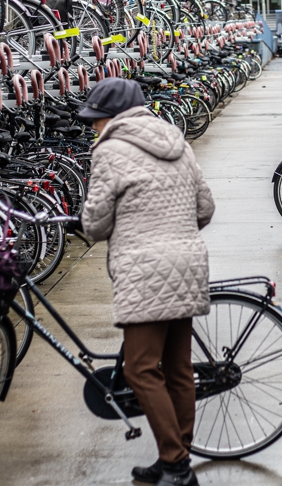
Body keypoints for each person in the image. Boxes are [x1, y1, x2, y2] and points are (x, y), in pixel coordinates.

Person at [79, 78, 214, 486]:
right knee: (177, 369)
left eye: (96, 120)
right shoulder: (177, 141)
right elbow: (205, 208)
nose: (93, 128)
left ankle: (175, 463)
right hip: (188, 263)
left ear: (113, 118)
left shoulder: (109, 151)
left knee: (140, 370)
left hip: (145, 271)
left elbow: (96, 224)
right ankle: (176, 456)